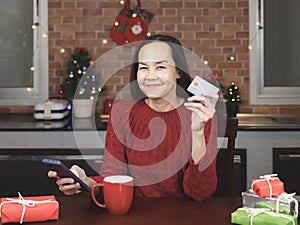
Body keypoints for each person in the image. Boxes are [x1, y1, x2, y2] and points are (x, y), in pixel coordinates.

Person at [48, 34, 219, 201]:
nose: (150, 76)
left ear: (178, 72)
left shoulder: (200, 113)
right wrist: (86, 182)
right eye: (143, 67)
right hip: (134, 215)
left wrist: (198, 132)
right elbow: (114, 177)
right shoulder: (122, 112)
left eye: (161, 67)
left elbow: (200, 193)